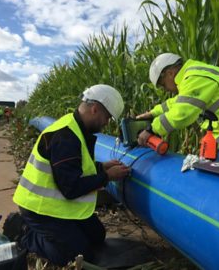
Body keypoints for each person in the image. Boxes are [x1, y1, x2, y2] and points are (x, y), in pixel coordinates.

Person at [11, 84, 131, 266]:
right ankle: (26, 234)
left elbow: (74, 166)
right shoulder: (65, 136)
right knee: (77, 255)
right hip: (40, 210)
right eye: (107, 117)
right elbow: (71, 188)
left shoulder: (76, 128)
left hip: (57, 204)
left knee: (97, 236)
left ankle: (54, 234)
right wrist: (107, 177)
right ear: (95, 109)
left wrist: (101, 167)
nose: (107, 123)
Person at [137, 53, 219, 163]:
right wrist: (153, 112)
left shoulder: (194, 76)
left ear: (170, 73)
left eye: (162, 84)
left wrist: (151, 129)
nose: (165, 89)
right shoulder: (192, 74)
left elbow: (183, 113)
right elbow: (178, 101)